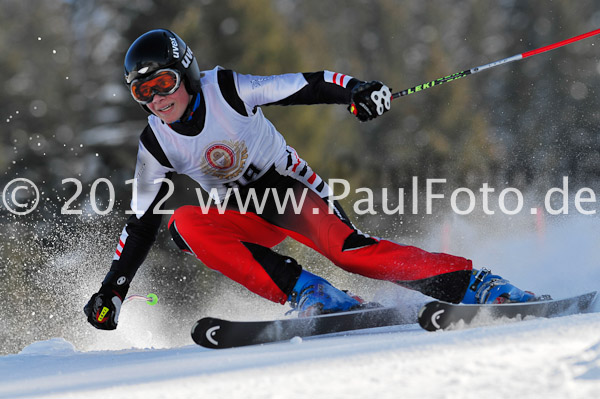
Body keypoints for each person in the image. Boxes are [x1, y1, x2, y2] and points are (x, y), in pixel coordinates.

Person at [84, 29, 537, 330]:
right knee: (183, 224)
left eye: (162, 83)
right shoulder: (156, 144)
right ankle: (313, 294)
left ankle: (475, 284)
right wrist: (114, 291)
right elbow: (139, 224)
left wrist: (356, 91)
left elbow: (306, 84)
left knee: (351, 255)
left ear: (185, 74)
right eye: (143, 92)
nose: (157, 99)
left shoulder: (228, 90)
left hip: (290, 193)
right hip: (243, 213)